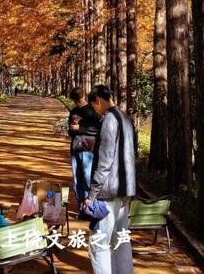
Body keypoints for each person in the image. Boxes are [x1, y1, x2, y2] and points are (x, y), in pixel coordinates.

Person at [84, 84, 136, 274]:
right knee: (121, 241)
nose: (95, 111)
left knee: (99, 243)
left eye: (94, 106)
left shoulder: (108, 120)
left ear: (97, 101)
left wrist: (92, 194)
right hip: (126, 189)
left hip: (108, 192)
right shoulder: (126, 119)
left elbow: (104, 162)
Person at [68, 85, 99, 212]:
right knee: (77, 180)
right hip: (75, 148)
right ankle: (81, 208)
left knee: (87, 179)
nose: (78, 102)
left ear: (83, 97)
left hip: (88, 150)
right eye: (76, 100)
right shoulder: (73, 112)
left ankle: (90, 207)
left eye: (78, 99)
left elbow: (96, 130)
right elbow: (70, 132)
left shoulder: (92, 111)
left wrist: (79, 129)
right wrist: (72, 129)